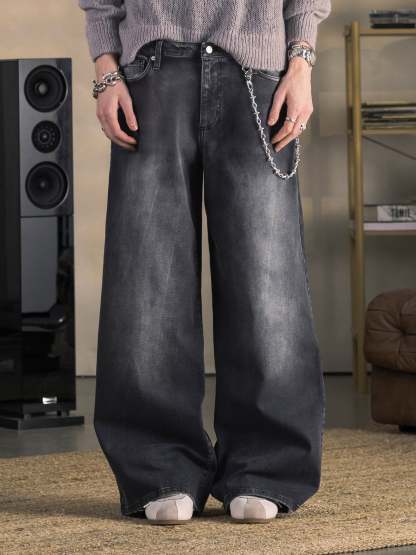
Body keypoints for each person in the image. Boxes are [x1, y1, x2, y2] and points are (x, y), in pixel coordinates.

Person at [79, 0, 331, 525]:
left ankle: (267, 467)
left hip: (258, 72)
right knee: (147, 281)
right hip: (150, 71)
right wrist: (106, 70)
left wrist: (302, 62)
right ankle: (159, 467)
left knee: (267, 281)